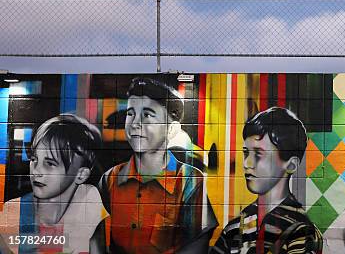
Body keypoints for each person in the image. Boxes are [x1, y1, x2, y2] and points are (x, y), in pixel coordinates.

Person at [97, 77, 217, 253]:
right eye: (131, 113)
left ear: (171, 129)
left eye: (147, 115)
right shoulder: (109, 179)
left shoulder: (189, 181)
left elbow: (196, 247)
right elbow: (96, 238)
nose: (135, 123)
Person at [211, 106, 323, 254]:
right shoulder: (235, 227)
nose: (246, 163)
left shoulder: (301, 231)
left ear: (290, 164)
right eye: (246, 153)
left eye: (258, 154)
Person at [0, 114, 107, 253]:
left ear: (81, 175)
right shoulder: (15, 211)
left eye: (50, 163)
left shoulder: (90, 201)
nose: (37, 171)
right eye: (34, 159)